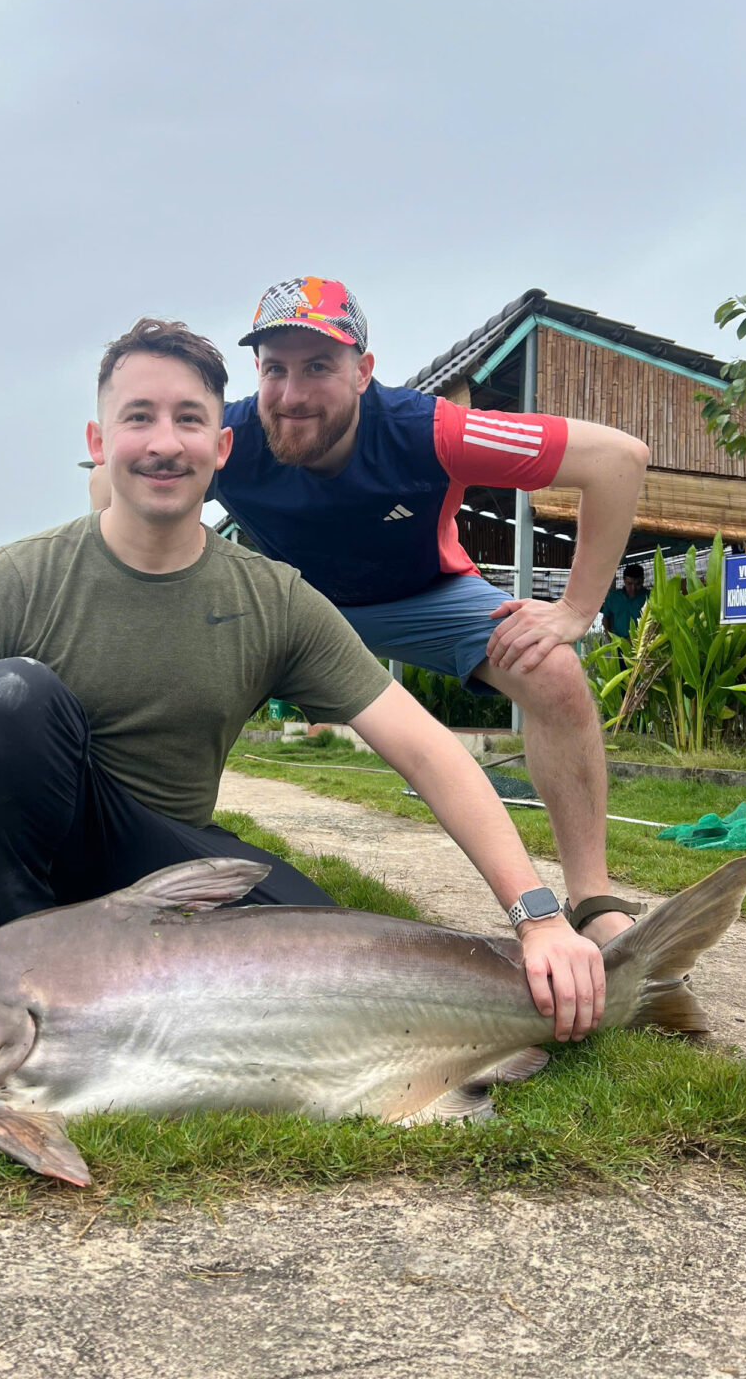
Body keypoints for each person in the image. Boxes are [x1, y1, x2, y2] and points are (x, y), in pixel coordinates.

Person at [0, 317, 605, 1042]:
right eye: (138, 417)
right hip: (45, 860)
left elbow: (427, 751)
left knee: (334, 967)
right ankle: (18, 980)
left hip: (168, 867)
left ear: (221, 447)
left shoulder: (273, 599)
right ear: (98, 443)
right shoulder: (19, 578)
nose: (164, 443)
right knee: (6, 697)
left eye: (189, 419)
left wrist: (538, 917)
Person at [89, 278, 650, 949]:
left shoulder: (429, 430)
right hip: (290, 606)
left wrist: (576, 609)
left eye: (318, 367)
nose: (292, 394)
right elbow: (106, 481)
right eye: (275, 369)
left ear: (362, 372)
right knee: (146, 669)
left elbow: (617, 459)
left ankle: (593, 899)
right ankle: (132, 866)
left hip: (421, 598)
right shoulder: (229, 434)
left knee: (554, 671)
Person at [602, 563, 648, 639]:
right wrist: (608, 634)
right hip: (619, 641)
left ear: (643, 580)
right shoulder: (613, 597)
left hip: (642, 641)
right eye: (629, 584)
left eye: (638, 584)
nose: (633, 588)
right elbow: (605, 617)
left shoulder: (649, 597)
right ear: (624, 580)